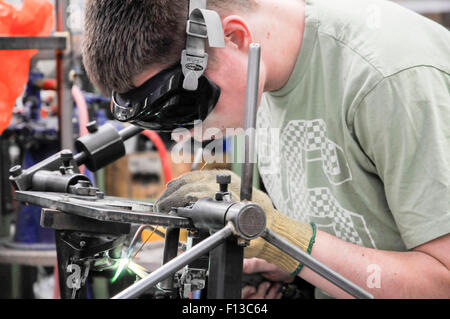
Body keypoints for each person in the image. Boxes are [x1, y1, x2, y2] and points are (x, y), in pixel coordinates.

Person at [82, 0, 450, 298]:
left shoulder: (389, 79)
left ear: (234, 38)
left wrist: (284, 240)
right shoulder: (257, 81)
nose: (187, 128)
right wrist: (293, 270)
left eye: (183, 105)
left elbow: (442, 281)